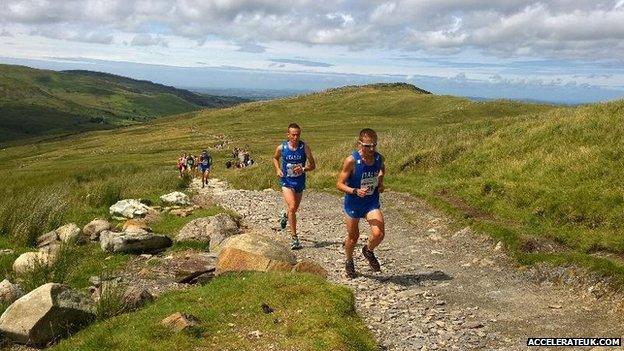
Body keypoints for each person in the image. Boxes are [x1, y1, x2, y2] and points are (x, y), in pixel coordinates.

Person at [336, 128, 385, 278]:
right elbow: (339, 184)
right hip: (353, 203)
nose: (371, 149)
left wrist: (380, 183)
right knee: (353, 237)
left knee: (379, 234)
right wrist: (355, 191)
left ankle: (368, 251)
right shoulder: (351, 160)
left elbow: (381, 169)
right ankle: (349, 260)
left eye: (374, 145)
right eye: (367, 146)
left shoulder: (378, 158)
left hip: (370, 202)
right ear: (360, 144)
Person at [272, 123, 316, 249]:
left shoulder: (304, 147)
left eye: (298, 135)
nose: (296, 137)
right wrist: (277, 169)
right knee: (292, 207)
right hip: (286, 181)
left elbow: (313, 166)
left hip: (299, 182)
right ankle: (294, 238)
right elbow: (275, 158)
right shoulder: (282, 147)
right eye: (293, 135)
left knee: (293, 209)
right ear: (288, 135)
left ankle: (285, 216)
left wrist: (303, 168)